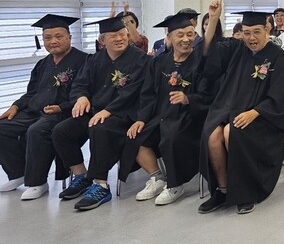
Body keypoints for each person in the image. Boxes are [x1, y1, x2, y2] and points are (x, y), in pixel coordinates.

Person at [197, 3, 284, 215]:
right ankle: (223, 190)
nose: (251, 38)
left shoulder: (278, 57)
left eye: (256, 32)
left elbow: (282, 96)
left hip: (262, 118)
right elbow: (209, 57)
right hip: (228, 111)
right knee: (212, 136)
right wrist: (213, 19)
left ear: (267, 29)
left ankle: (246, 191)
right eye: (247, 32)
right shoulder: (236, 49)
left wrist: (255, 112)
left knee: (230, 131)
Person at [52, 16, 149, 211]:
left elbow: (133, 92)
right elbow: (80, 84)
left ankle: (100, 184)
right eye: (113, 36)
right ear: (102, 41)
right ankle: (80, 175)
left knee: (100, 128)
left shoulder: (141, 59)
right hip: (96, 112)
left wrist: (109, 110)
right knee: (61, 130)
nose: (119, 39)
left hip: (124, 114)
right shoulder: (94, 60)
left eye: (122, 34)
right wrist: (81, 97)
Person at [118, 12, 212, 206]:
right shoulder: (158, 62)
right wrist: (141, 119)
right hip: (162, 115)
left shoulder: (201, 62)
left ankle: (175, 184)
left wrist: (188, 99)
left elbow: (209, 94)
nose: (186, 39)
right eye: (180, 35)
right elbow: (148, 94)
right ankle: (157, 176)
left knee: (172, 136)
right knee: (134, 135)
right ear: (168, 37)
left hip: (190, 117)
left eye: (190, 34)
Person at [0, 15, 88, 200]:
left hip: (63, 113)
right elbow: (31, 92)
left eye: (58, 36)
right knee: (2, 127)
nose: (53, 41)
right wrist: (15, 106)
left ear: (69, 37)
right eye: (48, 38)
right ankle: (18, 173)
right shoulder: (42, 64)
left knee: (37, 130)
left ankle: (37, 182)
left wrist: (61, 107)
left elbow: (86, 94)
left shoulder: (85, 61)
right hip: (34, 111)